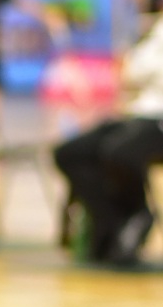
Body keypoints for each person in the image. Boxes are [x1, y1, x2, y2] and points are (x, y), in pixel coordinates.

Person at [54, 14, 163, 266]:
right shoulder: (156, 29)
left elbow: (142, 70)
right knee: (70, 153)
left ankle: (138, 214)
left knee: (119, 151)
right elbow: (131, 71)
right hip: (136, 114)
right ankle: (107, 221)